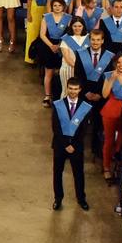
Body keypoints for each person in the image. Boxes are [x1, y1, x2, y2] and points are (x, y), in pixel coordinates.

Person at [51, 80, 94, 211]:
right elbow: (55, 127)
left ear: (80, 90)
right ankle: (58, 199)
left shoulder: (85, 107)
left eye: (75, 89)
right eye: (70, 88)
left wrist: (73, 144)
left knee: (78, 174)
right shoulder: (58, 105)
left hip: (77, 146)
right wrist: (65, 144)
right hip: (60, 145)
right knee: (57, 173)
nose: (73, 91)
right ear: (67, 88)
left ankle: (81, 199)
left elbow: (84, 129)